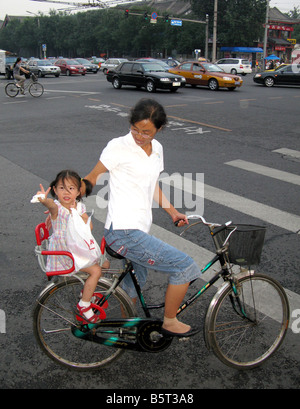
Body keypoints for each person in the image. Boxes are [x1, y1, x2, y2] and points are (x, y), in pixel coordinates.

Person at [82, 98, 202, 337]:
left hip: (139, 231)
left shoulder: (157, 149)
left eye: (146, 132)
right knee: (185, 266)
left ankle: (122, 325)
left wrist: (173, 211)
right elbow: (92, 176)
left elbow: (151, 185)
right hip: (124, 232)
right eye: (135, 129)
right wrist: (67, 198)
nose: (139, 135)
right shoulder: (118, 146)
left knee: (134, 282)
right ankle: (169, 321)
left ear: (159, 129)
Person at [34, 169, 108, 324]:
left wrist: (78, 214)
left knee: (104, 263)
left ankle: (86, 291)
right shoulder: (57, 208)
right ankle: (85, 304)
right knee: (96, 270)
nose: (66, 192)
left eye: (71, 188)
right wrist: (43, 199)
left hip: (76, 248)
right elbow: (50, 204)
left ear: (78, 192)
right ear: (54, 190)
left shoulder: (79, 207)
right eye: (62, 188)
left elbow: (90, 227)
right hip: (64, 252)